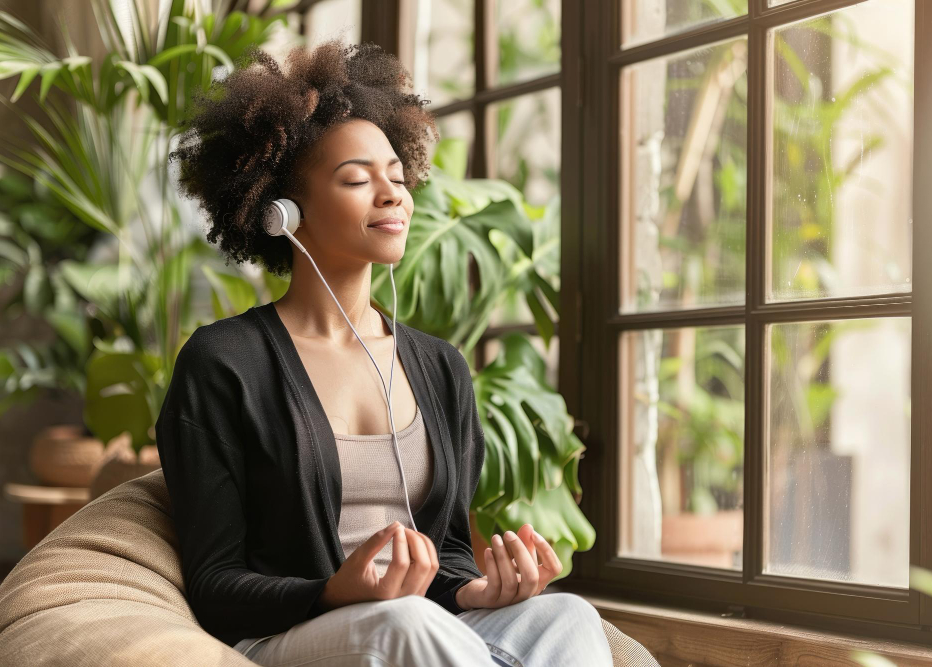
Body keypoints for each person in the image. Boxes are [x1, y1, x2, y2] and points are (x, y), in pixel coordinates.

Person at [161, 37, 614, 666]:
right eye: (357, 179)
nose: (392, 194)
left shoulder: (441, 368)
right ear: (282, 212)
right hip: (291, 636)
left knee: (566, 617)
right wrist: (331, 591)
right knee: (399, 625)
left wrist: (480, 590)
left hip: (425, 633)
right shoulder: (223, 364)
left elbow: (448, 554)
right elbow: (214, 585)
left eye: (397, 178)